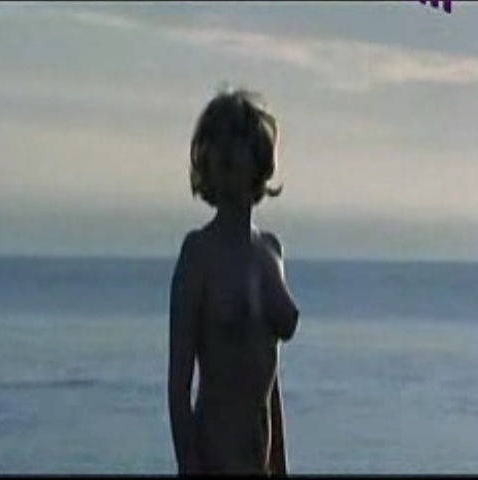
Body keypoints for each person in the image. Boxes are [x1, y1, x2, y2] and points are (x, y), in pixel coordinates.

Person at [168, 87, 300, 476]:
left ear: (258, 155)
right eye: (216, 144)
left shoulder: (271, 251)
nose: (225, 154)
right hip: (215, 462)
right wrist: (189, 469)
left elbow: (269, 379)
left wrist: (280, 467)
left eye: (235, 142)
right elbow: (178, 389)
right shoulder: (198, 254)